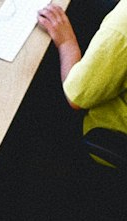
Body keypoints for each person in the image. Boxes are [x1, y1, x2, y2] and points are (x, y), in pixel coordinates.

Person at [37, 1, 127, 145]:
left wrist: (66, 42)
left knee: (39, 82)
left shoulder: (122, 26)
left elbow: (76, 98)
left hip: (111, 136)